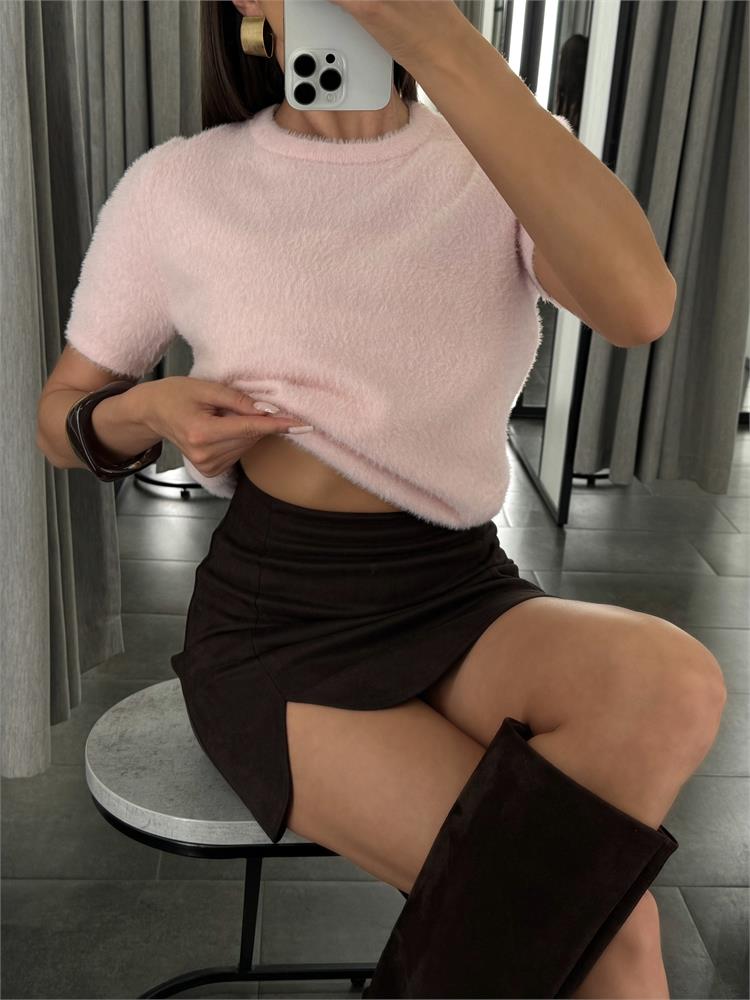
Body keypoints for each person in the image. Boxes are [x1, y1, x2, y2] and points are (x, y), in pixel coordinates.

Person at [37, 1, 727, 996]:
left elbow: (639, 305)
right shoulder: (179, 184)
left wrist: (444, 46)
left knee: (673, 682)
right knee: (611, 936)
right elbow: (58, 415)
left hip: (457, 587)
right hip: (277, 626)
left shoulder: (497, 157)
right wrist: (148, 409)